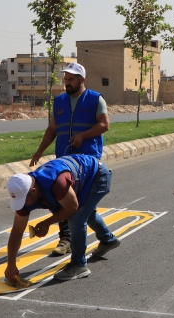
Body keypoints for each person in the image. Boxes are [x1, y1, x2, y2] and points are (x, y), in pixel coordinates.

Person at [29, 63, 117, 257]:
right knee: (73, 203)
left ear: (81, 80)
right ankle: (90, 238)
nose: (67, 83)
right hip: (64, 159)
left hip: (87, 162)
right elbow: (52, 129)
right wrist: (39, 151)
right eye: (65, 79)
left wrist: (83, 136)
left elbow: (104, 125)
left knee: (77, 206)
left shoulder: (95, 99)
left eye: (71, 79)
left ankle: (74, 246)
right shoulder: (59, 101)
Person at [4, 154, 118, 281]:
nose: (23, 204)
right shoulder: (25, 195)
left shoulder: (56, 183)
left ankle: (78, 265)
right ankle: (109, 240)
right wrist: (11, 264)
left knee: (76, 218)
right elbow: (17, 232)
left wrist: (47, 223)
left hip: (97, 175)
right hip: (79, 179)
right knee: (87, 212)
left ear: (34, 191)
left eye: (24, 200)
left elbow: (72, 208)